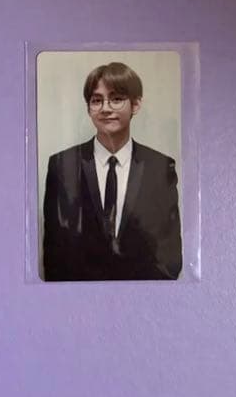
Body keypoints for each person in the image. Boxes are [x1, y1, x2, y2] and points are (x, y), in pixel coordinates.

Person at [42, 62, 182, 281]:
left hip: (142, 296)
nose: (105, 108)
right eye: (97, 100)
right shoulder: (62, 165)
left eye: (116, 99)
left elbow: (169, 255)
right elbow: (54, 251)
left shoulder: (160, 167)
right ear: (88, 108)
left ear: (136, 104)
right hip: (79, 298)